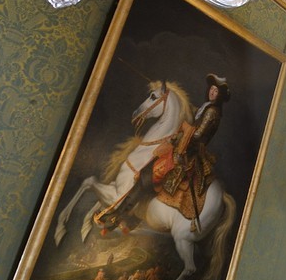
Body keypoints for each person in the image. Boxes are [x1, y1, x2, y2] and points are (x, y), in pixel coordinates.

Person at [96, 75, 228, 233]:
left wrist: (185, 127)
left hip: (190, 151)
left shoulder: (213, 111)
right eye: (212, 89)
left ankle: (115, 218)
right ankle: (131, 220)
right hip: (184, 145)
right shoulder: (207, 106)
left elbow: (198, 134)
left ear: (220, 95)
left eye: (216, 91)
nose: (213, 93)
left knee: (146, 176)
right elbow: (197, 120)